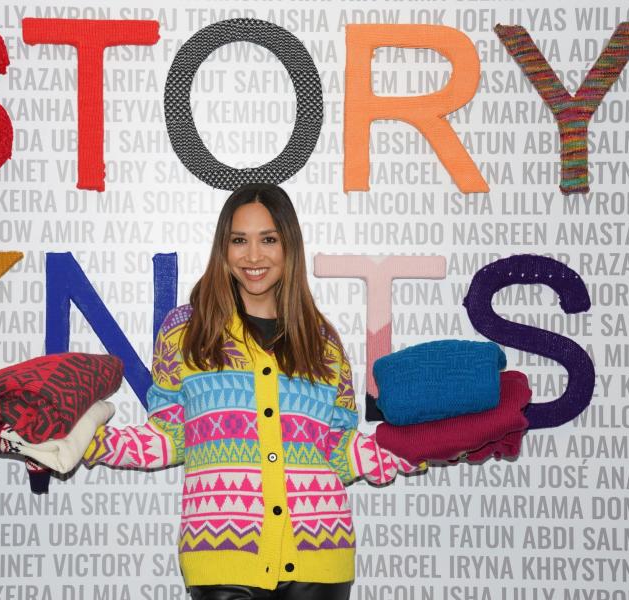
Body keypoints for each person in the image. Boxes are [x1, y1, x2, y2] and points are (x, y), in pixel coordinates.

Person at [83, 183, 425, 600]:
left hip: (321, 557)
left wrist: (432, 443)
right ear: (223, 249)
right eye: (239, 241)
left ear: (289, 246)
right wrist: (80, 439)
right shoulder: (186, 333)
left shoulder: (323, 343)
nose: (253, 256)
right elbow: (168, 436)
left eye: (268, 239)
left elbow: (339, 450)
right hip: (221, 555)